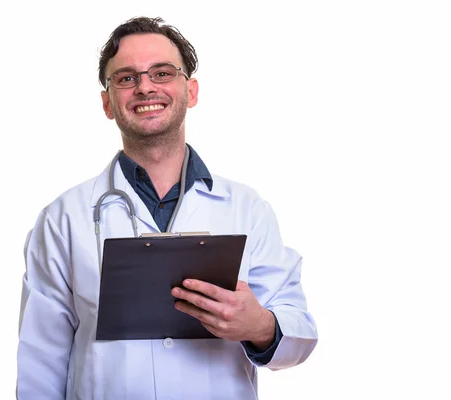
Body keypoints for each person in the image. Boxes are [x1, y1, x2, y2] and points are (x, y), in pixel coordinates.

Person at [16, 16, 318, 399]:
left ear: (190, 91)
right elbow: (40, 364)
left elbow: (299, 331)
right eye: (126, 78)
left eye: (161, 73)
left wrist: (259, 325)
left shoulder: (247, 209)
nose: (145, 87)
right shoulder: (62, 219)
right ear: (107, 103)